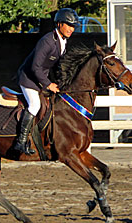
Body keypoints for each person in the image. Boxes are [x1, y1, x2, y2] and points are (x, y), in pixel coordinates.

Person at [14, 8, 79, 155]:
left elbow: (56, 66)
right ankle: (21, 141)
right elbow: (35, 66)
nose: (71, 29)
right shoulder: (48, 41)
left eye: (73, 26)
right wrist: (48, 84)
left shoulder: (62, 41)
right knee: (35, 105)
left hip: (40, 79)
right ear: (59, 24)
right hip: (29, 79)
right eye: (68, 25)